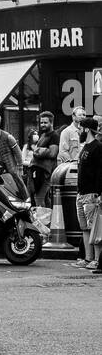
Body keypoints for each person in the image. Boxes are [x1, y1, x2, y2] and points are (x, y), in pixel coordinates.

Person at [75, 116, 102, 272]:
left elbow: (100, 172)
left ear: (86, 129)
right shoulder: (85, 147)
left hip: (91, 194)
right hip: (81, 193)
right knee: (85, 228)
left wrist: (98, 193)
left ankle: (97, 260)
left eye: (80, 128)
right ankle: (88, 258)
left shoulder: (97, 147)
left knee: (94, 228)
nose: (79, 130)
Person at [0, 112, 29, 199]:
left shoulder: (8, 137)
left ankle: (26, 199)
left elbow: (18, 153)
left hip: (8, 166)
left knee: (17, 182)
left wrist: (20, 167)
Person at [31, 112, 59, 207]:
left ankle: (43, 221)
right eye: (41, 122)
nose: (42, 124)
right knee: (44, 198)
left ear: (51, 123)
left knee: (38, 198)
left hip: (46, 173)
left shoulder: (54, 136)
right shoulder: (43, 135)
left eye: (45, 122)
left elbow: (53, 153)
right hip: (39, 170)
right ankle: (49, 220)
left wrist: (38, 150)